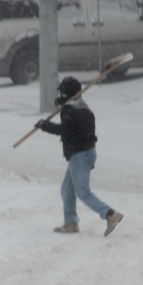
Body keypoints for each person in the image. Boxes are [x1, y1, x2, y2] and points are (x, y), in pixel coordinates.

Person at [34, 76, 123, 236]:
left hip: (80, 155)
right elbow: (75, 125)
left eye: (62, 92)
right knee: (67, 190)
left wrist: (44, 125)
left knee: (82, 192)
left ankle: (110, 214)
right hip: (86, 152)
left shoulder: (70, 109)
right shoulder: (82, 106)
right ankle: (71, 223)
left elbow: (65, 130)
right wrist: (64, 106)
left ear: (67, 93)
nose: (60, 95)